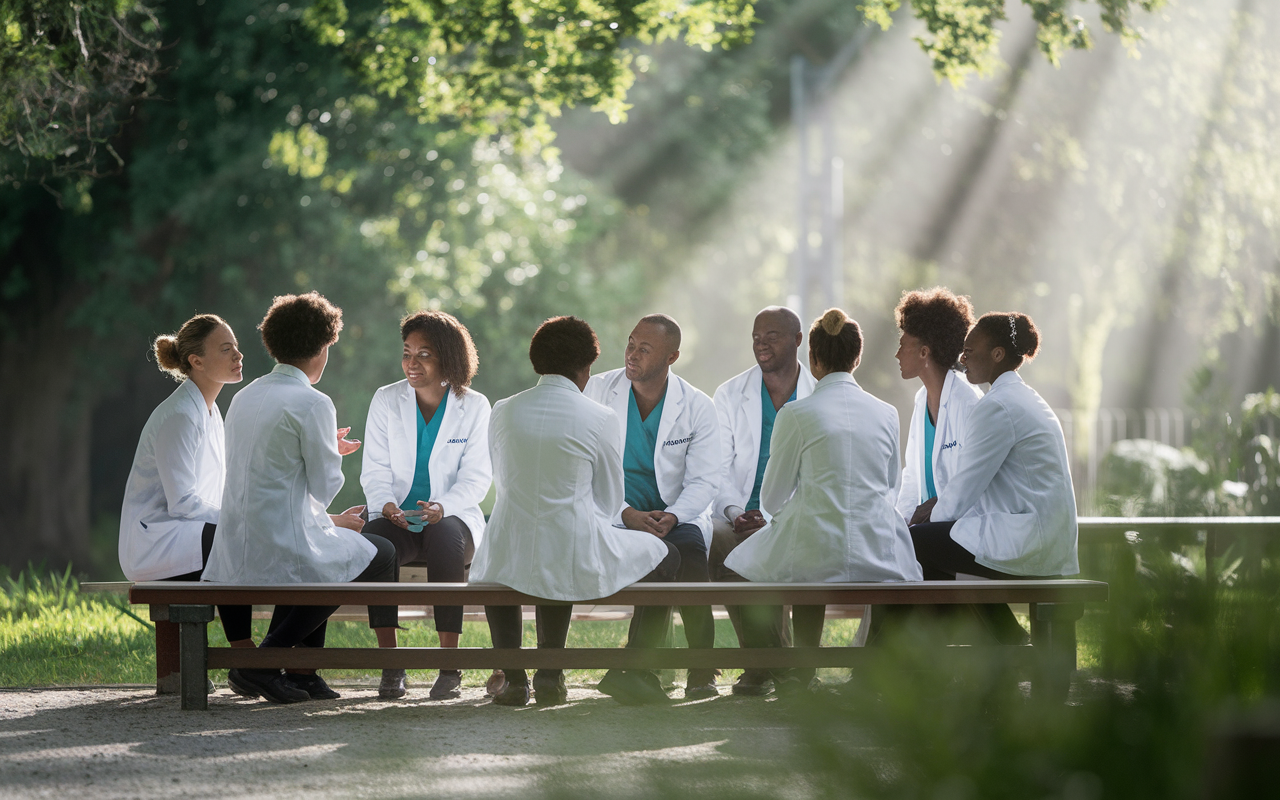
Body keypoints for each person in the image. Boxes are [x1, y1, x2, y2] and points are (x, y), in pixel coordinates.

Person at [471, 315, 679, 707]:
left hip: (506, 540)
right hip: (569, 544)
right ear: (586, 366)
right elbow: (609, 498)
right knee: (666, 555)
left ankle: (514, 680)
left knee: (517, 556)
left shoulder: (503, 409)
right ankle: (557, 675)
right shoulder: (599, 417)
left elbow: (503, 474)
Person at [204, 292, 400, 704]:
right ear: (322, 347)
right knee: (379, 554)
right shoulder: (313, 402)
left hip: (237, 540)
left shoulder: (245, 395)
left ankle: (303, 672)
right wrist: (329, 452)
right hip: (282, 542)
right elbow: (325, 486)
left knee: (330, 554)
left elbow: (270, 464)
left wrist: (321, 446)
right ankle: (262, 662)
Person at [724, 308, 923, 693]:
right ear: (857, 357)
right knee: (902, 572)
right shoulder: (886, 413)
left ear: (812, 358)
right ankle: (870, 668)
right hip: (877, 545)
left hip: (815, 543)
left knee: (738, 567)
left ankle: (787, 667)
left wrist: (797, 512)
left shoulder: (798, 413)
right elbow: (889, 484)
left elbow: (773, 495)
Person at [912, 312, 1079, 643]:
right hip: (1049, 540)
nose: (962, 359)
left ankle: (988, 647)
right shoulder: (1025, 399)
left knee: (917, 546)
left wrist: (923, 524)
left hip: (1030, 542)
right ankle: (1000, 640)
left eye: (970, 351)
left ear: (998, 354)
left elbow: (962, 490)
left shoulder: (997, 407)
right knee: (937, 546)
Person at [361, 310, 497, 700]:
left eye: (424, 354)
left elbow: (476, 478)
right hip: (398, 519)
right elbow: (374, 469)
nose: (412, 363)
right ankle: (391, 665)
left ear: (448, 359)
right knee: (374, 545)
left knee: (445, 538)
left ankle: (449, 667)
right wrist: (385, 506)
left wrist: (444, 506)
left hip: (451, 518)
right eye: (407, 353)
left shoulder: (474, 406)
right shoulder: (386, 400)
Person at [584, 314, 722, 699]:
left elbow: (705, 480)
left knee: (689, 551)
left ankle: (701, 670)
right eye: (630, 343)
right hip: (614, 513)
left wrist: (674, 515)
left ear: (672, 356)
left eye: (645, 349)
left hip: (675, 514)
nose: (632, 354)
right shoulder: (597, 391)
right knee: (665, 557)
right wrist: (626, 513)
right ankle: (636, 669)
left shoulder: (697, 405)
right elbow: (587, 468)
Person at [118, 314, 253, 654]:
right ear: (197, 361)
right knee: (233, 540)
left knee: (244, 539)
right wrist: (238, 519)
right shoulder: (180, 415)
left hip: (187, 534)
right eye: (226, 349)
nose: (238, 355)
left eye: (236, 347)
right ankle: (244, 653)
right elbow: (183, 503)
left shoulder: (210, 412)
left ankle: (260, 654)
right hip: (156, 541)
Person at [709, 306, 816, 696]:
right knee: (718, 541)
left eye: (772, 335)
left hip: (797, 515)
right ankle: (775, 662)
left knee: (772, 548)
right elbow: (716, 470)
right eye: (756, 336)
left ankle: (760, 665)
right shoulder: (730, 393)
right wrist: (736, 512)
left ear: (798, 340)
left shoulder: (819, 394)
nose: (761, 343)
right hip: (738, 514)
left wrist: (774, 517)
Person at [894, 288, 983, 526]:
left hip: (960, 530)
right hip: (927, 531)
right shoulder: (920, 399)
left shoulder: (968, 402)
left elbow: (974, 486)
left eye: (903, 345)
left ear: (924, 352)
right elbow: (911, 476)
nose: (897, 354)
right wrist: (902, 525)